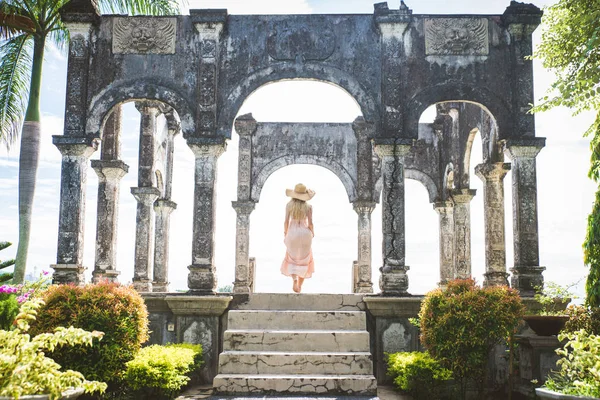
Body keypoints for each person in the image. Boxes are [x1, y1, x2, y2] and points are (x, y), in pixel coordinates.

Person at [280, 183, 315, 293]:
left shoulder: (289, 205)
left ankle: (294, 279)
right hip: (305, 233)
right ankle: (299, 285)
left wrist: (286, 233)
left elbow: (286, 221)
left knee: (292, 258)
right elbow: (310, 223)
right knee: (305, 259)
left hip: (292, 233)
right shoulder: (308, 207)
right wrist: (312, 233)